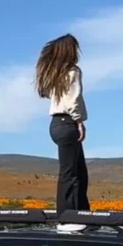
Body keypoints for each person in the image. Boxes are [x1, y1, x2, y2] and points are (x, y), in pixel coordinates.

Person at [35, 33, 89, 214]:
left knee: (77, 172)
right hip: (67, 123)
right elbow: (72, 100)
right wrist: (79, 121)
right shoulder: (72, 72)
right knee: (71, 175)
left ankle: (78, 213)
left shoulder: (56, 74)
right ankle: (69, 216)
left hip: (56, 124)